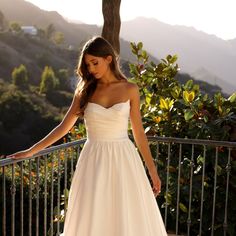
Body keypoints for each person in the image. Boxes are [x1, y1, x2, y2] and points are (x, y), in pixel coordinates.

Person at [7, 36, 167, 235]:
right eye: (87, 65)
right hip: (94, 159)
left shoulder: (130, 89)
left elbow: (138, 132)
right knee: (94, 214)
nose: (91, 69)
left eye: (94, 63)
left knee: (125, 214)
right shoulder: (84, 91)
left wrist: (152, 170)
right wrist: (31, 151)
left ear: (109, 59)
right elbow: (63, 127)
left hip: (124, 159)